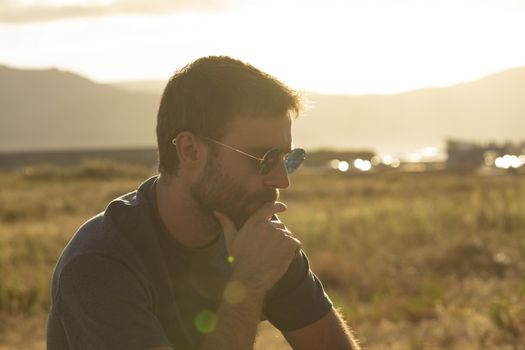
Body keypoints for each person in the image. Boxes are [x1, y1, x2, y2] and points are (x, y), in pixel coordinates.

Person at [47, 56, 361, 350]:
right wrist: (249, 283)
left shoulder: (260, 236)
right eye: (265, 159)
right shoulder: (100, 263)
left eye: (288, 159)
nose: (282, 180)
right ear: (190, 151)